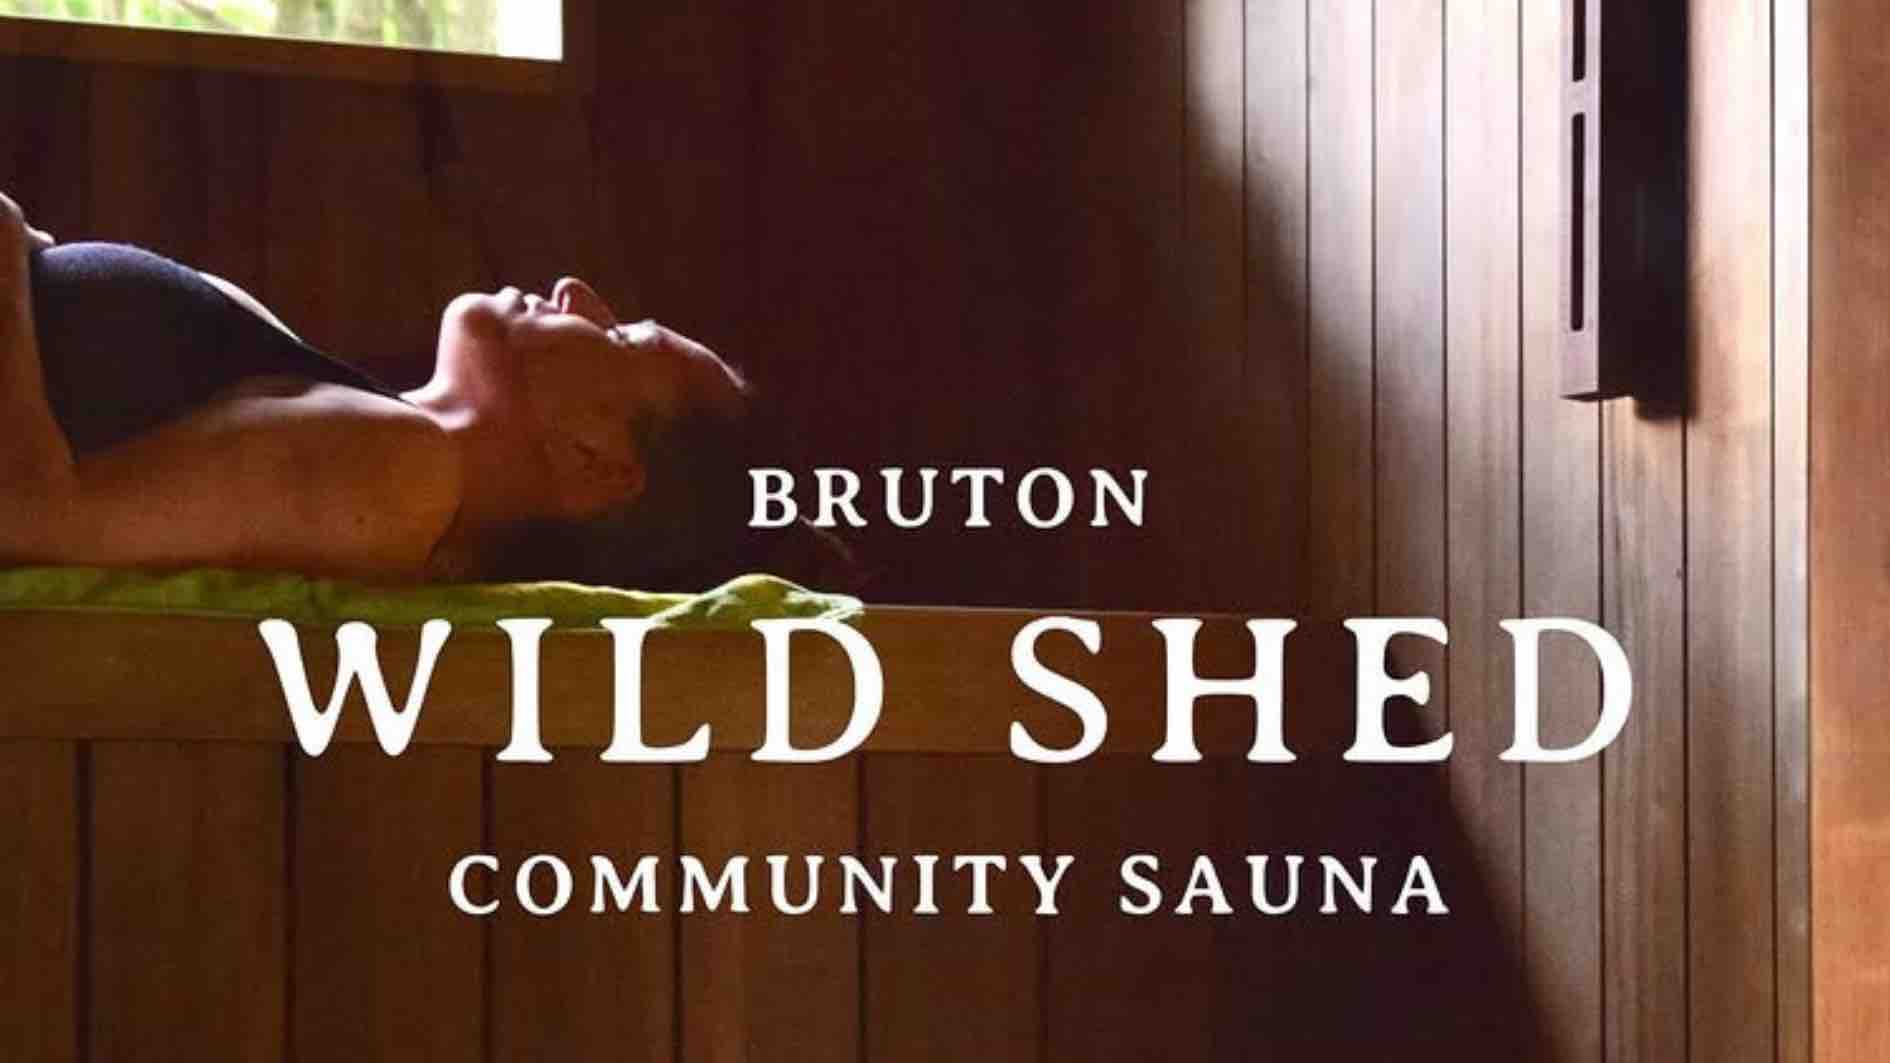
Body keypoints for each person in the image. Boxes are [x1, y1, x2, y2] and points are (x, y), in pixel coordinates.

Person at [0, 189, 815, 589]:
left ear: (600, 461)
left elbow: (35, 516)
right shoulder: (367, 428)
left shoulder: (402, 473)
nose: (576, 291)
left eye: (620, 334)